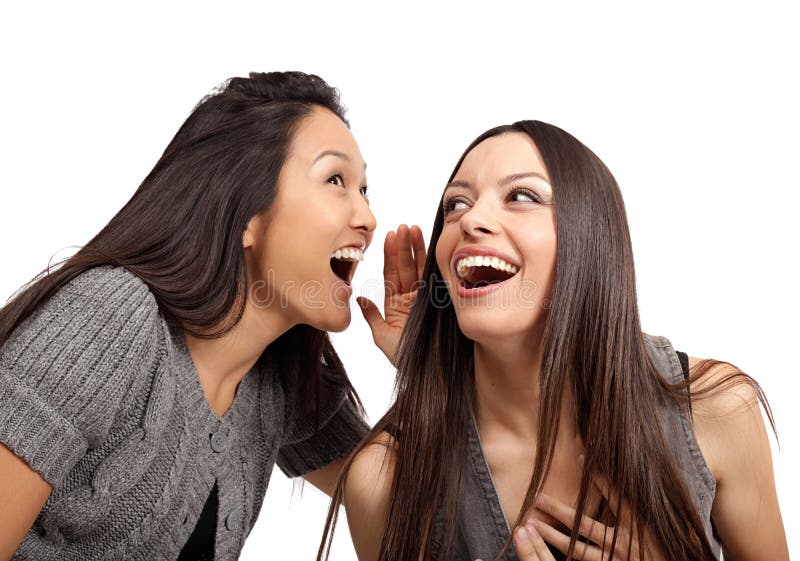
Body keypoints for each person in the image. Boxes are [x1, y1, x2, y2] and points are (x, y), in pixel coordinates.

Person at [0, 71, 425, 561]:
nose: (367, 218)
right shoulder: (110, 316)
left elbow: (412, 512)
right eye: (335, 180)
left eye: (364, 190)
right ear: (247, 215)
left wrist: (425, 363)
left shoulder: (277, 380)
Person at [321, 120, 789, 561]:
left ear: (590, 236)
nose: (471, 219)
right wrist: (429, 366)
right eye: (456, 205)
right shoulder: (383, 478)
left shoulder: (717, 408)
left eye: (521, 196)